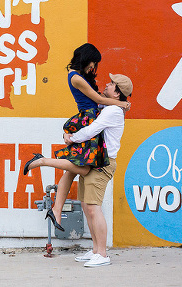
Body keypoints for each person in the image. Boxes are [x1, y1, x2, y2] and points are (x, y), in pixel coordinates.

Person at [22, 44, 129, 235]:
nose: (93, 68)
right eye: (93, 63)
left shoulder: (79, 76)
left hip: (89, 117)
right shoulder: (76, 77)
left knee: (70, 171)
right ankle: (42, 160)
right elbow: (99, 99)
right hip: (87, 118)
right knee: (85, 168)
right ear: (87, 58)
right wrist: (121, 103)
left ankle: (56, 209)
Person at [67, 73, 131, 267]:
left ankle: (102, 254)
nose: (107, 84)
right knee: (87, 206)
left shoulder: (112, 112)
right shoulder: (110, 107)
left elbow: (92, 129)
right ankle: (95, 249)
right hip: (94, 162)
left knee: (94, 207)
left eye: (111, 84)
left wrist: (71, 138)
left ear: (117, 93)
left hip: (103, 164)